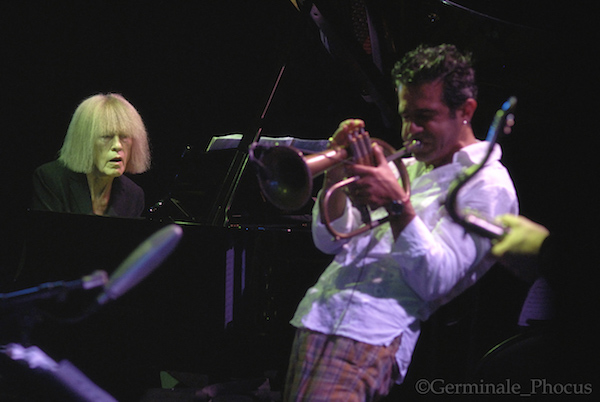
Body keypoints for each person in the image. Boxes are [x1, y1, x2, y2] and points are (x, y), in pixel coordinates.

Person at [283, 44, 519, 401]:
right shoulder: (407, 169)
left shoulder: (487, 185)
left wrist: (396, 203)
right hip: (318, 317)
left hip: (371, 333)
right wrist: (334, 177)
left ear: (465, 110)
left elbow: (435, 281)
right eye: (406, 116)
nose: (411, 130)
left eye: (425, 116)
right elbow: (330, 242)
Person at [31, 93, 151, 217]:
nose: (118, 145)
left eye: (124, 137)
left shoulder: (134, 195)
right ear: (84, 141)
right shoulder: (51, 180)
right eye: (106, 136)